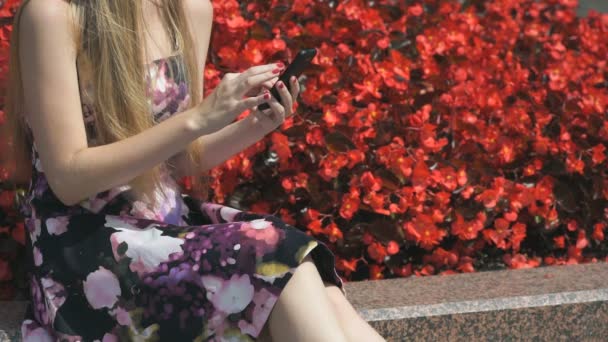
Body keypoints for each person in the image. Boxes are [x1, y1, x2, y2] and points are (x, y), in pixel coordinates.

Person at [3, 0, 386, 341]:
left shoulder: (189, 10)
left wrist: (255, 125)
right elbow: (69, 178)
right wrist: (199, 119)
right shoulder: (54, 14)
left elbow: (181, 159)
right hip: (85, 250)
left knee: (315, 281)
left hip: (165, 229)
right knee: (277, 256)